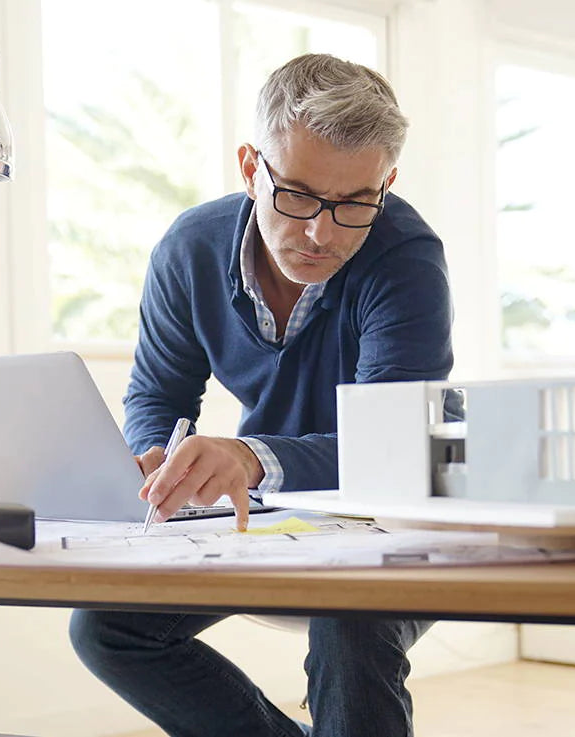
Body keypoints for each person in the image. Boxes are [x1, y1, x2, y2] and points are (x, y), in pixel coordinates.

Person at [68, 53, 453, 737]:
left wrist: (247, 458)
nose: (320, 232)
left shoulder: (406, 258)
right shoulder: (190, 249)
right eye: (298, 194)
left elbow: (388, 453)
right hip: (279, 518)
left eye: (355, 203)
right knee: (107, 627)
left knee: (349, 623)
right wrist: (155, 454)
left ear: (386, 184)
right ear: (251, 166)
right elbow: (157, 391)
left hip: (398, 518)